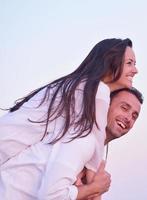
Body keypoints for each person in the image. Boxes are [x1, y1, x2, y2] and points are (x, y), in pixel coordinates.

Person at [0, 38, 138, 199]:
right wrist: (95, 186)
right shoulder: (95, 91)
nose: (135, 70)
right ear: (109, 61)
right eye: (129, 63)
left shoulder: (78, 86)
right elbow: (97, 137)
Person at [75, 87, 143, 199]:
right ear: (106, 105)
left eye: (134, 116)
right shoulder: (80, 141)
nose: (129, 118)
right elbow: (51, 193)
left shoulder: (97, 154)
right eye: (124, 108)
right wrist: (94, 188)